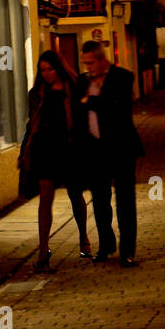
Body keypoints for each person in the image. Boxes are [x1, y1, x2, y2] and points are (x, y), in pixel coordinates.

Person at [19, 50, 92, 272]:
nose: (47, 74)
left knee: (75, 195)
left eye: (50, 69)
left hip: (68, 148)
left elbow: (83, 120)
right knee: (45, 200)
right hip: (44, 150)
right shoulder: (38, 93)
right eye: (42, 70)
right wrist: (25, 152)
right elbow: (32, 123)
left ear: (58, 68)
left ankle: (83, 238)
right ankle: (43, 249)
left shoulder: (73, 88)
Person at [75, 41, 144, 267]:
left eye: (91, 62)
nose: (88, 67)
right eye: (85, 63)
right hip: (95, 150)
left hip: (121, 147)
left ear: (102, 59)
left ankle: (127, 250)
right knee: (100, 201)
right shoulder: (83, 81)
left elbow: (119, 108)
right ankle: (106, 245)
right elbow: (79, 112)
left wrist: (92, 101)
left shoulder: (123, 77)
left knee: (125, 200)